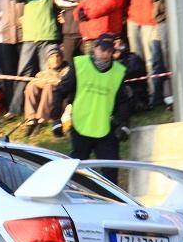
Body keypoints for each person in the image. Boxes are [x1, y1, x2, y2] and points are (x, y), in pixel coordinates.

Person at [54, 33, 132, 184]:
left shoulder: (118, 71)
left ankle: (112, 204)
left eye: (109, 51)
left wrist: (124, 124)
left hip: (106, 128)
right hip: (81, 126)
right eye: (102, 50)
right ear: (95, 48)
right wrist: (56, 119)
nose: (105, 54)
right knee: (76, 171)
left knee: (110, 171)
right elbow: (60, 91)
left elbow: (123, 101)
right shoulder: (80, 65)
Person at [8, 0, 60, 117]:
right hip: (29, 36)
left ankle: (48, 110)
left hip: (48, 34)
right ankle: (15, 109)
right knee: (23, 73)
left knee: (49, 75)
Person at [22, 45, 65, 137]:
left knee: (49, 87)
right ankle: (31, 118)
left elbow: (63, 84)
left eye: (57, 56)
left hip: (59, 104)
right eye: (52, 56)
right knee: (31, 86)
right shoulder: (43, 73)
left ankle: (42, 119)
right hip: (43, 100)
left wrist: (49, 82)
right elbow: (36, 81)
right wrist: (41, 82)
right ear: (47, 60)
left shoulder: (66, 70)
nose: (55, 59)